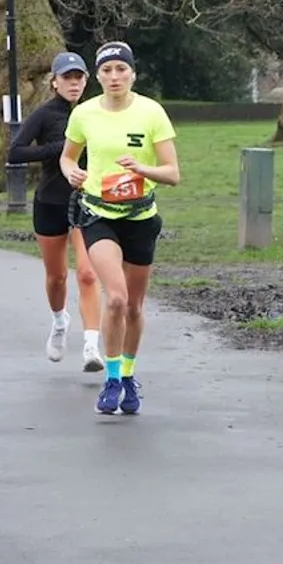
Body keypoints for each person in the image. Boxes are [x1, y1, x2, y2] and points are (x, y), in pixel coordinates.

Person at [59, 41, 179, 416]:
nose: (114, 77)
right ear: (98, 76)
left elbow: (173, 173)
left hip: (141, 217)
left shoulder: (151, 112)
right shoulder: (84, 114)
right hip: (98, 215)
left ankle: (128, 375)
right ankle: (111, 378)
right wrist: (71, 172)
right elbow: (67, 156)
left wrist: (144, 170)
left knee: (135, 306)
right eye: (107, 71)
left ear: (132, 74)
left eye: (121, 70)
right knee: (116, 298)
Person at [8, 51, 104, 371]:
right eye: (67, 78)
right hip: (50, 201)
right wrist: (58, 150)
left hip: (86, 201)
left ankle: (91, 345)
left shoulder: (96, 113)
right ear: (55, 82)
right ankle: (60, 322)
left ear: (86, 82)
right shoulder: (45, 115)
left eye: (79, 78)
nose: (73, 84)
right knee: (57, 276)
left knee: (89, 274)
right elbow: (16, 151)